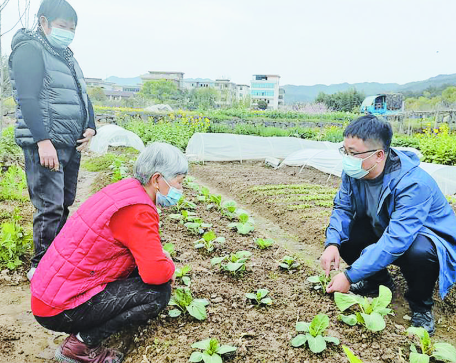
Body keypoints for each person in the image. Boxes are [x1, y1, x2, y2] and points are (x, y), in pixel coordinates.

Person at [30, 142, 186, 363]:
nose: (181, 190)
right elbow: (155, 274)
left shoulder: (127, 190)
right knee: (158, 293)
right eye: (179, 182)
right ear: (157, 179)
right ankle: (80, 345)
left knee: (139, 274)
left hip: (50, 292)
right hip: (59, 307)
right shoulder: (138, 210)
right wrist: (168, 265)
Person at [320, 114, 456, 335]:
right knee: (346, 235)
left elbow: (397, 239)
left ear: (379, 155)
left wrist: (349, 275)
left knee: (419, 252)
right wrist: (332, 243)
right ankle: (377, 282)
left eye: (353, 153)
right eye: (345, 151)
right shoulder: (354, 172)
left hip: (425, 238)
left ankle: (421, 306)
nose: (347, 159)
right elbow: (343, 208)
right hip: (385, 226)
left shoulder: (413, 183)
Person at [8, 0, 96, 280]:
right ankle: (41, 267)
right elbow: (28, 98)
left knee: (65, 202)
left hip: (70, 144)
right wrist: (42, 141)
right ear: (44, 22)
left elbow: (83, 95)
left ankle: (55, 260)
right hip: (47, 145)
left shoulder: (66, 55)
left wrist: (90, 126)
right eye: (62, 26)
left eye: (72, 28)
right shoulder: (30, 50)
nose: (68, 33)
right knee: (49, 205)